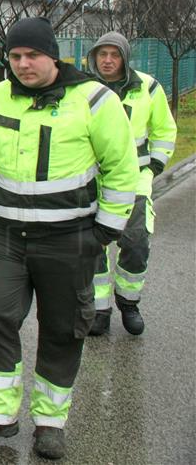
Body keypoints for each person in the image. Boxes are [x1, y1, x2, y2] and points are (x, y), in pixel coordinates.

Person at [0, 17, 139, 460]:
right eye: (15, 56)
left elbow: (121, 169)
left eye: (32, 56)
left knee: (62, 329)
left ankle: (50, 423)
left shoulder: (94, 100)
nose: (23, 64)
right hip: (3, 236)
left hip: (69, 238)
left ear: (53, 56)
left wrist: (105, 231)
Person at [85, 32, 177, 336]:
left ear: (125, 57)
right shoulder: (83, 89)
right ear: (94, 57)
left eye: (115, 55)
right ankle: (99, 311)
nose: (108, 60)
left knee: (136, 245)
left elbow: (164, 130)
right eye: (102, 54)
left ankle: (129, 303)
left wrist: (154, 166)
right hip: (93, 183)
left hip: (135, 183)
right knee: (92, 248)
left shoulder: (148, 87)